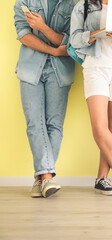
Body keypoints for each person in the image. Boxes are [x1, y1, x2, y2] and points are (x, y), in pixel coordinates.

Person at [70, 0, 112, 195]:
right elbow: (74, 39)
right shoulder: (83, 7)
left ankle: (102, 179)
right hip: (95, 67)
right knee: (100, 127)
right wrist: (96, 34)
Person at [14, 0, 77, 198]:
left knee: (54, 125)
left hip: (60, 72)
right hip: (30, 68)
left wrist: (42, 27)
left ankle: (40, 179)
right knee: (34, 123)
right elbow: (23, 35)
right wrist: (52, 50)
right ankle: (47, 177)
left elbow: (69, 42)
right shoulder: (24, 2)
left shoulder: (74, 4)